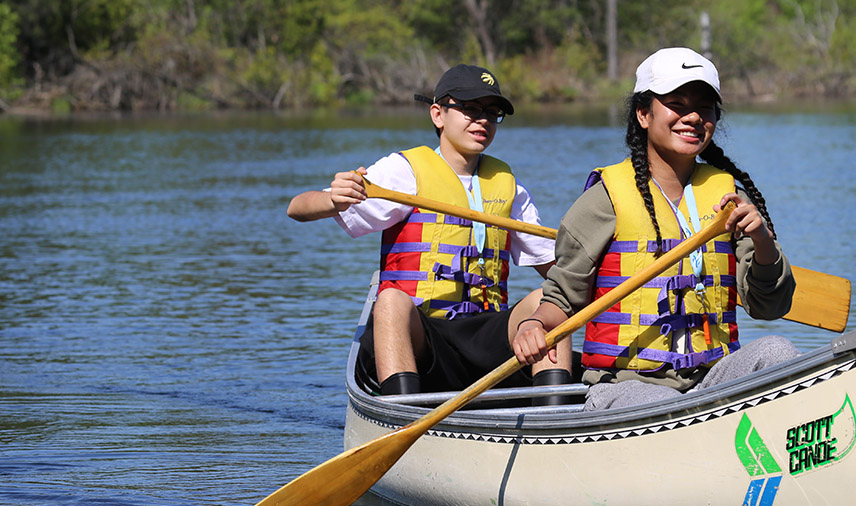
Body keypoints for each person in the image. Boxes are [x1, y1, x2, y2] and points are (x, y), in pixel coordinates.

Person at [511, 47, 798, 411]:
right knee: (663, 403)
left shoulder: (730, 200)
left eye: (705, 108)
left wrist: (762, 239)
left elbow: (771, 306)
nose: (693, 117)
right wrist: (533, 326)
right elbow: (562, 300)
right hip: (625, 386)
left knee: (777, 351)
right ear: (643, 114)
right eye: (677, 104)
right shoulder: (604, 201)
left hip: (711, 379)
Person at [287, 63, 573, 400]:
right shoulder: (404, 172)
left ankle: (555, 410)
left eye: (491, 113)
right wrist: (332, 200)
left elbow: (557, 273)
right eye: (470, 109)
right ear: (438, 114)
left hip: (484, 336)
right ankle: (400, 408)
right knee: (390, 300)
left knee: (548, 298)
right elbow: (297, 208)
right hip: (423, 337)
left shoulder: (509, 186)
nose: (482, 120)